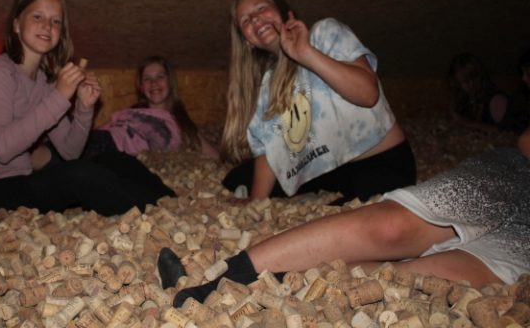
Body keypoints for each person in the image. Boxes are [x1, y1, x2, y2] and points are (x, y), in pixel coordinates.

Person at [159, 126, 530, 307]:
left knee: (420, 278)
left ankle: (260, 290)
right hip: (518, 176)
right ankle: (224, 275)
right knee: (391, 226)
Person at [0, 0, 174, 216]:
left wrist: (83, 108)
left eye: (56, 21)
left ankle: (170, 202)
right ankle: (152, 214)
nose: (47, 26)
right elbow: (2, 148)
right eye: (37, 17)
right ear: (17, 24)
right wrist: (59, 97)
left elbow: (70, 152)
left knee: (115, 160)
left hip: (21, 179)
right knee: (80, 175)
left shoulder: (45, 81)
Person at [220, 0, 416, 204]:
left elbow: (368, 95)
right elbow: (268, 152)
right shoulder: (268, 85)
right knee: (237, 178)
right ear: (248, 41)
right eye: (246, 20)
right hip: (330, 169)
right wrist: (256, 203)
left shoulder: (325, 33)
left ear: (284, 12)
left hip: (381, 161)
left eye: (261, 8)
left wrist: (306, 53)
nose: (255, 18)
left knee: (343, 218)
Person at [83, 55, 219, 161]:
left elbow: (213, 156)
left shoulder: (180, 121)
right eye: (147, 79)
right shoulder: (130, 112)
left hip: (117, 155)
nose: (154, 83)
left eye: (160, 77)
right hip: (99, 141)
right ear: (141, 86)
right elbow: (100, 130)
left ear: (170, 82)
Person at [446, 52, 510, 132]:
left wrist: (468, 123)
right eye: (466, 81)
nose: (472, 83)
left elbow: (506, 131)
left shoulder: (496, 99)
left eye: (475, 76)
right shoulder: (466, 99)